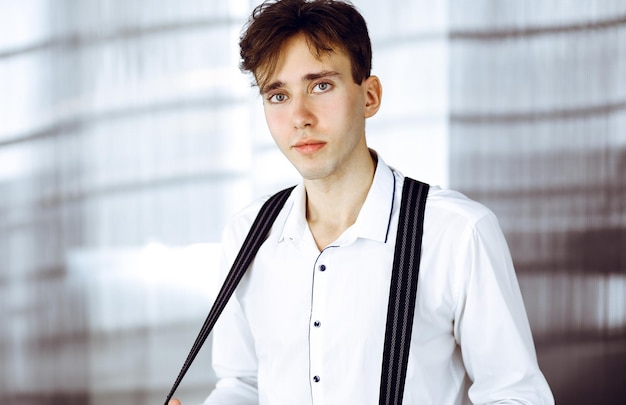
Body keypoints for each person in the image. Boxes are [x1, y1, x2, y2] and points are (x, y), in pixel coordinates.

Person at [170, 0, 554, 403]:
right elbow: (242, 385)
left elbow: (516, 395)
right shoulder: (247, 234)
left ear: (369, 96)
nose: (300, 116)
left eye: (321, 86)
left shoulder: (457, 233)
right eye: (278, 95)